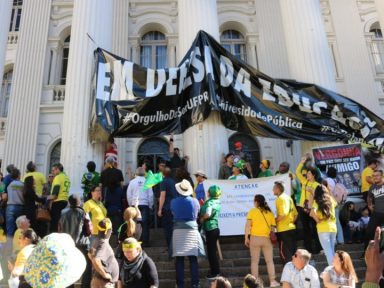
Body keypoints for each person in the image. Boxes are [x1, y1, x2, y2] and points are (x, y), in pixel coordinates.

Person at [171, 179, 203, 288]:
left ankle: (180, 285)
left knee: (179, 259)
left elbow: (173, 212)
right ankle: (195, 283)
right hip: (192, 230)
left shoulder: (173, 201)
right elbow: (198, 214)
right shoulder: (195, 201)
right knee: (193, 259)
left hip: (178, 230)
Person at [244, 194, 280, 287]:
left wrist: (246, 238)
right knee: (269, 261)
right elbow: (273, 228)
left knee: (255, 261)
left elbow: (248, 226)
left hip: (255, 238)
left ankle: (255, 283)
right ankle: (272, 281)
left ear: (256, 202)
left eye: (254, 201)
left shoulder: (252, 211)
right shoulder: (270, 212)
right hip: (267, 239)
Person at [59, 194, 92, 288]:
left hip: (68, 244)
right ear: (79, 202)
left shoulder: (63, 213)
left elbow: (60, 229)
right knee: (86, 267)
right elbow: (89, 230)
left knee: (69, 267)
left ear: (69, 202)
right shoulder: (84, 213)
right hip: (82, 244)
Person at [296, 156, 321, 254]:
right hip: (303, 209)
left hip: (312, 209)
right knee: (305, 229)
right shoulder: (304, 182)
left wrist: (312, 208)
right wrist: (301, 163)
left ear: (313, 175)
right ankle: (308, 249)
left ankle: (318, 248)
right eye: (307, 173)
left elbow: (317, 198)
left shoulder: (316, 185)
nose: (307, 174)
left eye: (309, 173)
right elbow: (298, 172)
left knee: (315, 228)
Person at [310, 185, 337, 265]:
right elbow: (336, 203)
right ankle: (336, 269)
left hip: (322, 228)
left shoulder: (317, 201)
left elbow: (312, 213)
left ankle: (333, 271)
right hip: (333, 227)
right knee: (332, 250)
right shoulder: (331, 200)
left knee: (328, 252)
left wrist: (318, 220)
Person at [126, 167, 153, 247]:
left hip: (135, 205)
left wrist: (130, 204)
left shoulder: (132, 182)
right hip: (145, 205)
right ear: (144, 174)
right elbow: (150, 195)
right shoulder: (147, 182)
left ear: (136, 173)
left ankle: (135, 240)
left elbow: (129, 194)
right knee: (145, 224)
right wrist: (150, 205)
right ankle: (145, 242)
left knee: (134, 223)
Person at [89, 218, 119, 288]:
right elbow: (96, 260)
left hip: (100, 281)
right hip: (103, 283)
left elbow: (90, 254)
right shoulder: (103, 243)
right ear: (109, 230)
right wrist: (104, 274)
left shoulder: (96, 240)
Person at [200, 185, 221, 279]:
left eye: (208, 191)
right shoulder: (217, 201)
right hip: (215, 228)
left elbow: (208, 214)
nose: (207, 192)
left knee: (211, 252)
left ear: (210, 193)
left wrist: (201, 219)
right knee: (212, 251)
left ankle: (215, 272)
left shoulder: (210, 203)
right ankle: (215, 270)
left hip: (210, 229)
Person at [273, 181, 298, 264]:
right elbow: (296, 214)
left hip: (283, 230)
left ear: (278, 189)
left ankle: (288, 274)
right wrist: (291, 222)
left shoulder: (280, 199)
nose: (272, 190)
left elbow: (283, 214)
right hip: (291, 228)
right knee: (293, 253)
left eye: (274, 188)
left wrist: (274, 222)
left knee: (285, 255)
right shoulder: (289, 197)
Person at [100, 156, 125, 237]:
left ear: (107, 163)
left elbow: (100, 185)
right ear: (114, 163)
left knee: (107, 211)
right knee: (118, 211)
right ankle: (118, 231)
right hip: (117, 192)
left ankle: (109, 231)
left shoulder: (103, 172)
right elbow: (121, 184)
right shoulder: (119, 171)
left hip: (107, 193)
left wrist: (101, 195)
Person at [157, 167, 177, 250]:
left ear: (163, 174)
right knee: (173, 228)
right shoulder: (173, 182)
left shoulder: (163, 182)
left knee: (168, 229)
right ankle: (174, 246)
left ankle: (170, 248)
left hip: (167, 208)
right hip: (174, 208)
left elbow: (162, 196)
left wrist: (160, 209)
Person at [48, 163, 70, 233]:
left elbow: (55, 194)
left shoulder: (58, 177)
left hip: (57, 201)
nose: (52, 172)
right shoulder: (67, 177)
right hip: (65, 201)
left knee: (54, 223)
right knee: (61, 222)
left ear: (58, 169)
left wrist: (48, 199)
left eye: (53, 170)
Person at [365, 169, 384, 250]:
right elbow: (369, 197)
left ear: (382, 176)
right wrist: (370, 205)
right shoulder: (372, 187)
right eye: (373, 176)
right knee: (369, 232)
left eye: (377, 175)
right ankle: (366, 253)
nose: (375, 177)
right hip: (377, 213)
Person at [325, 167, 345, 245]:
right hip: (337, 202)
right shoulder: (336, 180)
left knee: (333, 221)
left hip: (330, 203)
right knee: (337, 221)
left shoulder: (327, 180)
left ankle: (336, 240)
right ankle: (340, 239)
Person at [4, 168, 24, 237]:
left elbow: (5, 196)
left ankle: (9, 246)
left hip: (10, 207)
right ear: (18, 175)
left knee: (10, 230)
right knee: (20, 230)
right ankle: (18, 247)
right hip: (20, 207)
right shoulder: (22, 185)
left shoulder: (9, 185)